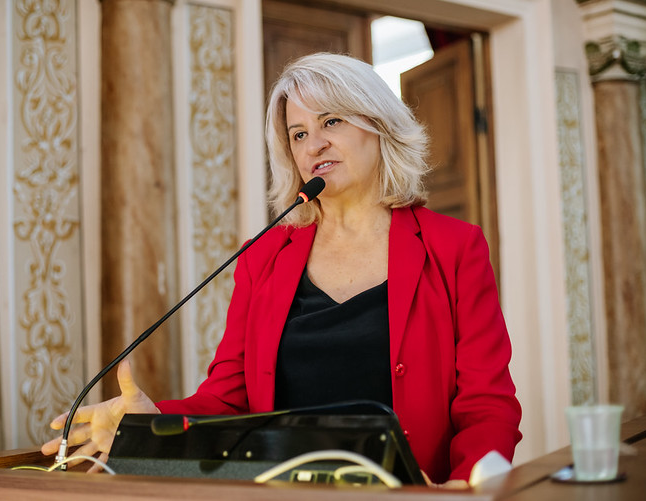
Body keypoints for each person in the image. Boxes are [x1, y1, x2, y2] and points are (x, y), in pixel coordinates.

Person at [42, 52, 522, 486]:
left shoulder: (453, 247)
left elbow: (486, 403)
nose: (315, 145)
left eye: (331, 121)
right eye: (299, 134)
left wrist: (465, 487)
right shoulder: (263, 256)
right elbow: (227, 400)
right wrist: (149, 424)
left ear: (379, 125)